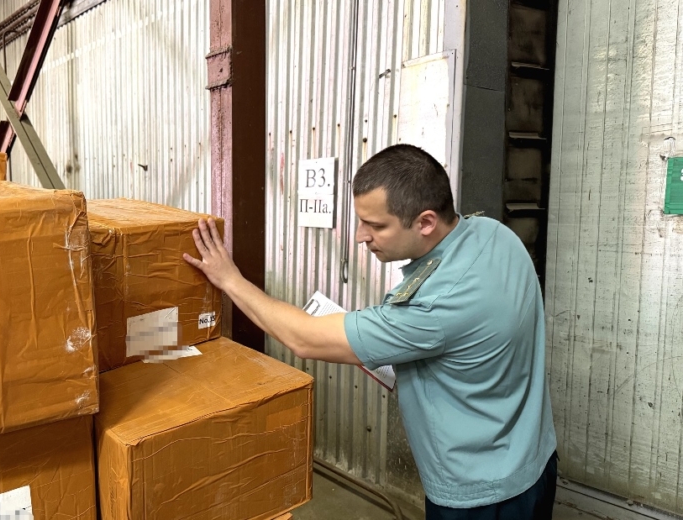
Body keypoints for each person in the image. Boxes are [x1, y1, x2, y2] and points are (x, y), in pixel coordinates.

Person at [183, 144, 557, 520]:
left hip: (481, 498)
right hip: (535, 462)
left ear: (426, 222)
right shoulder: (493, 233)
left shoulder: (433, 306)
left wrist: (230, 280)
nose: (361, 236)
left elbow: (303, 338)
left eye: (376, 226)